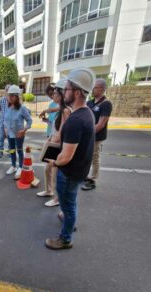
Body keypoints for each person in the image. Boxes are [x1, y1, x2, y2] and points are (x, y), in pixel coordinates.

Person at [45, 68, 96, 250]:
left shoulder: (76, 120)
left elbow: (65, 156)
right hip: (79, 171)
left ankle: (65, 239)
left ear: (76, 91)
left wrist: (54, 162)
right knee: (70, 202)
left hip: (70, 172)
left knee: (68, 202)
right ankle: (68, 219)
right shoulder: (87, 113)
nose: (63, 92)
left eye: (65, 89)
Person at [37, 78, 72, 207]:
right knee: (48, 169)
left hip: (58, 146)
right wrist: (49, 139)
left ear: (62, 94)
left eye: (55, 93)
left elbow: (61, 133)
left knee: (55, 173)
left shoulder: (65, 110)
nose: (53, 96)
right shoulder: (61, 108)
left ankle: (56, 199)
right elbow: (55, 127)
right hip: (54, 143)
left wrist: (51, 142)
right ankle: (49, 191)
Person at [82, 78, 113, 191]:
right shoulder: (90, 102)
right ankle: (86, 175)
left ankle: (93, 179)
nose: (92, 90)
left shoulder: (106, 104)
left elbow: (101, 124)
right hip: (87, 135)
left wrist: (87, 134)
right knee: (86, 157)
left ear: (102, 89)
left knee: (94, 157)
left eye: (95, 87)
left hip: (96, 136)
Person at [4, 85, 32, 179]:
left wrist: (24, 130)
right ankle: (13, 166)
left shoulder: (22, 108)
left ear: (16, 96)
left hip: (19, 134)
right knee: (12, 150)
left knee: (19, 151)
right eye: (9, 95)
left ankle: (20, 167)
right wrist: (5, 129)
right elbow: (5, 120)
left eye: (12, 96)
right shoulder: (8, 107)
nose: (10, 97)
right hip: (10, 134)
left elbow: (29, 121)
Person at [0, 84, 10, 158]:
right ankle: (0, 152)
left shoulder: (12, 101)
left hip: (9, 123)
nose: (8, 92)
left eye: (9, 90)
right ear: (5, 91)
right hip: (2, 122)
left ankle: (10, 153)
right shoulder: (1, 100)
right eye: (7, 90)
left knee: (10, 138)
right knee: (1, 138)